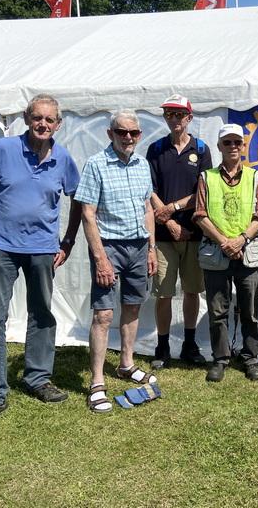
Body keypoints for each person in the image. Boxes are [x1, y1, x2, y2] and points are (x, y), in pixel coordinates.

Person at [0, 94, 81, 431]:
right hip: (0, 248)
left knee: (42, 313)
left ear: (58, 124)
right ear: (28, 119)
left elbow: (79, 200)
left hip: (43, 249)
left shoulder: (63, 159)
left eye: (50, 120)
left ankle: (38, 378)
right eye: (37, 118)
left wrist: (67, 241)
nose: (43, 124)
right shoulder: (2, 149)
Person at [75, 110, 157, 413]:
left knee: (134, 306)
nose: (128, 138)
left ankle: (126, 364)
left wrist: (151, 248)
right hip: (108, 246)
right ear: (110, 134)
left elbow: (147, 207)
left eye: (133, 133)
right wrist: (100, 259)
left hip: (138, 246)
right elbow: (88, 214)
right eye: (122, 132)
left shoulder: (142, 164)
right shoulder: (96, 165)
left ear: (139, 135)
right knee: (104, 315)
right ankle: (97, 381)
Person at [193, 124, 258, 383]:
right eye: (227, 142)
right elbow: (200, 214)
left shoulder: (255, 177)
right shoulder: (206, 177)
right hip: (216, 251)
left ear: (244, 145)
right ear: (219, 147)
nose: (233, 146)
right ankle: (220, 358)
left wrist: (240, 240)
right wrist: (225, 241)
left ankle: (250, 357)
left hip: (248, 250)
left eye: (238, 141)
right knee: (217, 310)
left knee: (249, 310)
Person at [146, 94, 212, 369]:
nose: (174, 119)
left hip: (194, 233)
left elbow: (204, 189)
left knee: (192, 291)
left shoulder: (201, 148)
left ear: (189, 117)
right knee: (163, 292)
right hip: (163, 236)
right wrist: (169, 222)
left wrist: (173, 209)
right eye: (169, 114)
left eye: (179, 114)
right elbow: (148, 188)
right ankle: (162, 345)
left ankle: (189, 342)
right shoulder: (156, 148)